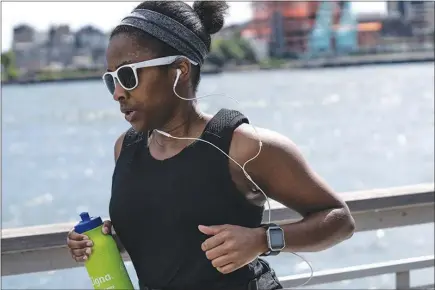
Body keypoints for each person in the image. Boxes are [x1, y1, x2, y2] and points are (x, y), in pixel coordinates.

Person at [66, 1, 355, 290]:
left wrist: (262, 240)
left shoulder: (242, 145)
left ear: (179, 70)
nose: (118, 93)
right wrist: (104, 244)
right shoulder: (126, 150)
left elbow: (340, 221)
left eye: (128, 75)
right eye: (111, 79)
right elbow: (171, 244)